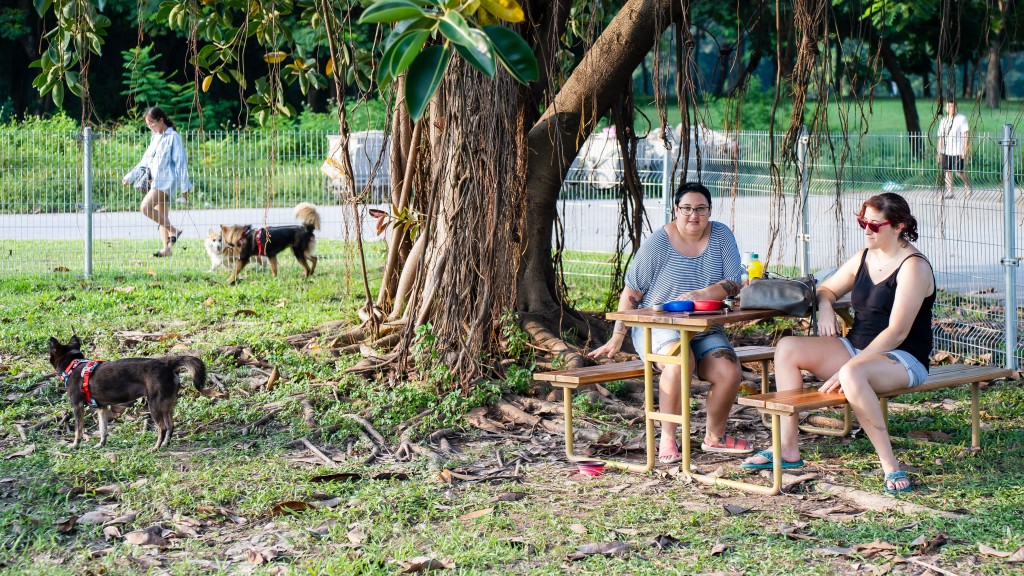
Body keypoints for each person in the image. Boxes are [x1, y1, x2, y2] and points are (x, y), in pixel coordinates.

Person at [741, 193, 934, 493]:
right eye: (862, 222)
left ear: (898, 227)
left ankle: (890, 467)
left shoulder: (914, 267)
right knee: (787, 347)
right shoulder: (864, 256)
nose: (867, 230)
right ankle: (787, 449)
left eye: (874, 224)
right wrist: (827, 306)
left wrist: (851, 366)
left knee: (853, 374)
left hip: (902, 357)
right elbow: (826, 288)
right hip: (857, 348)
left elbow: (896, 332)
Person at [588, 182, 751, 463]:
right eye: (686, 209)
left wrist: (702, 294)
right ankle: (668, 438)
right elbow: (632, 292)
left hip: (705, 325)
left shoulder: (722, 235)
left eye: (700, 209)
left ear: (710, 211)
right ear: (676, 210)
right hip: (659, 326)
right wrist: (617, 336)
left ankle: (715, 437)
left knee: (729, 370)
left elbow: (733, 282)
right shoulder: (659, 242)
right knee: (680, 360)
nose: (693, 216)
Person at [122, 107, 191, 257]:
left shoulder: (174, 137)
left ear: (161, 120)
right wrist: (129, 177)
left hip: (166, 181)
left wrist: (185, 189)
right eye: (147, 124)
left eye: (152, 123)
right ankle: (166, 249)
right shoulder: (155, 138)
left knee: (145, 208)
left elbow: (181, 164)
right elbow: (144, 161)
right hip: (155, 181)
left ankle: (174, 231)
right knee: (161, 215)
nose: (150, 127)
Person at [937, 100, 972, 200]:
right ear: (945, 108)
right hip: (946, 150)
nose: (951, 109)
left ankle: (968, 185)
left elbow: (965, 134)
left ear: (956, 107)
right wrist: (939, 152)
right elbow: (941, 137)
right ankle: (950, 191)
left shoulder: (961, 119)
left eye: (952, 107)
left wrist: (965, 148)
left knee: (959, 171)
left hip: (958, 149)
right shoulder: (944, 120)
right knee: (947, 171)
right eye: (948, 107)